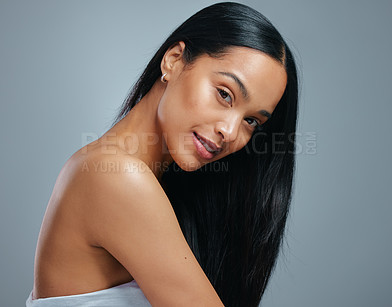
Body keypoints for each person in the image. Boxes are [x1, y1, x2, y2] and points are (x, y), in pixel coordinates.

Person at [26, 2, 298, 307]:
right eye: (225, 94)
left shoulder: (144, 180)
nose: (231, 132)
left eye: (251, 121)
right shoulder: (115, 176)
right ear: (174, 60)